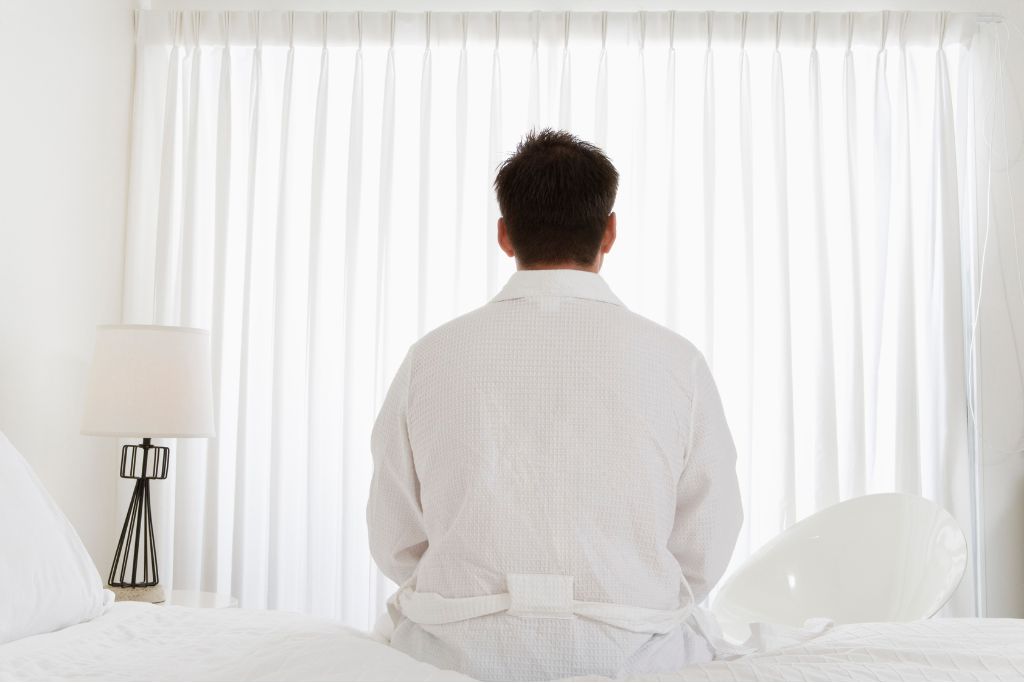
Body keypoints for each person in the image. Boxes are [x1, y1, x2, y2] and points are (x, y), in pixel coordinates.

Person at [367, 128, 742, 681]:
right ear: (609, 231)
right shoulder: (676, 362)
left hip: (451, 651)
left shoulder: (431, 358)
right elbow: (706, 540)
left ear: (504, 235)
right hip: (635, 653)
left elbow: (395, 539)